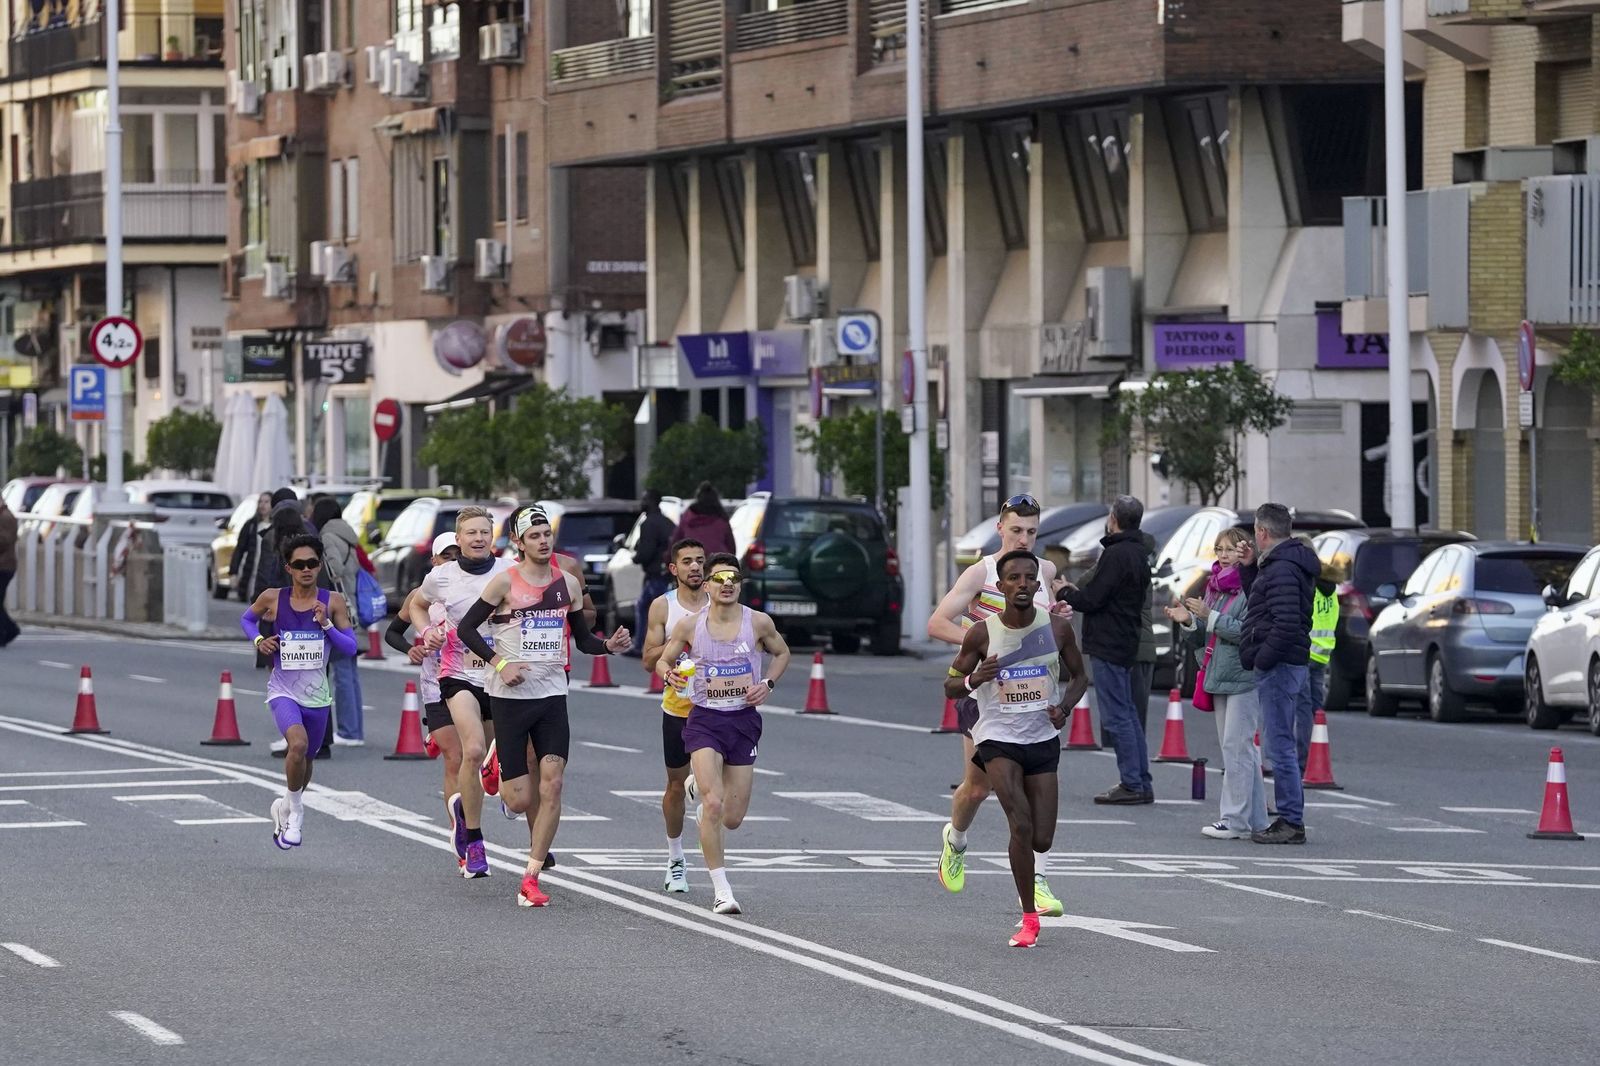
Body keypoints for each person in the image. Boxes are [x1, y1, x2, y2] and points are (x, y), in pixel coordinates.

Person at [455, 506, 632, 907]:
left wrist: (608, 646)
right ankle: (496, 764)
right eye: (533, 536)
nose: (542, 540)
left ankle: (531, 877)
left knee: (553, 783)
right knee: (518, 799)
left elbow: (583, 639)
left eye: (546, 534)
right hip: (509, 696)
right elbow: (466, 629)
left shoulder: (566, 583)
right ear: (518, 543)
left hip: (552, 695)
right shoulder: (503, 583)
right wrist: (501, 662)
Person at [927, 493, 1067, 917]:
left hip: (1033, 695)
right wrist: (981, 643)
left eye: (1032, 532)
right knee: (979, 787)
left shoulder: (1044, 571)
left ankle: (1039, 881)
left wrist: (1060, 615)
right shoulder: (981, 572)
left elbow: (1046, 624)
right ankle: (955, 840)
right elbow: (937, 622)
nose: (1024, 539)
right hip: (984, 693)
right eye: (1017, 530)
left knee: (1033, 790)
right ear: (999, 528)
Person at [943, 551, 1089, 948]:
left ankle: (1030, 893)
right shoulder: (982, 633)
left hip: (1041, 737)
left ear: (1038, 585)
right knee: (1019, 825)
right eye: (1014, 578)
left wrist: (1064, 707)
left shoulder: (1058, 630)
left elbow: (1079, 677)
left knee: (1041, 837)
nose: (1023, 583)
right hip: (997, 738)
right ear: (1002, 586)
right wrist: (975, 678)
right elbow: (951, 685)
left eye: (1029, 578)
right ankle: (1028, 918)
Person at [655, 553, 791, 915]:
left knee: (732, 817)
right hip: (704, 720)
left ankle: (698, 787)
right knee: (713, 804)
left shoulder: (758, 622)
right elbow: (662, 660)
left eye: (733, 577)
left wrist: (768, 684)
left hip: (743, 721)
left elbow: (782, 653)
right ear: (708, 585)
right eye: (719, 578)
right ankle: (722, 890)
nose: (727, 583)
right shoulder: (689, 625)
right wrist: (669, 673)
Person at [412, 507, 515, 878]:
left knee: (496, 766)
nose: (477, 539)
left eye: (484, 532)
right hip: (458, 676)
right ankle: (473, 842)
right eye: (470, 533)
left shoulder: (509, 571)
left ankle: (495, 777)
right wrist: (427, 633)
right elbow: (416, 606)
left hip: (501, 674)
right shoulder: (441, 576)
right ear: (459, 539)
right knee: (471, 750)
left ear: (493, 537)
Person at [241, 534, 357, 849]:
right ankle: (297, 814)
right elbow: (247, 619)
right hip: (283, 690)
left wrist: (327, 625)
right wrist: (258, 641)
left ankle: (285, 804)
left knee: (306, 757)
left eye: (312, 563)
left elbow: (350, 648)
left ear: (319, 565)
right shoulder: (272, 598)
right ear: (288, 568)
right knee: (297, 744)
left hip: (318, 695)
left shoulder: (332, 601)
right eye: (299, 564)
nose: (306, 569)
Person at [1166, 526, 1266, 840]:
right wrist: (1187, 621)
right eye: (1219, 549)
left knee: (1237, 748)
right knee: (1239, 749)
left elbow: (1247, 631)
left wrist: (1210, 617)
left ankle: (1234, 820)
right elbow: (1205, 635)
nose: (1223, 556)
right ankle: (1258, 820)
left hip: (1243, 675)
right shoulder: (1214, 586)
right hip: (1219, 673)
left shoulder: (1251, 585)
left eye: (1231, 549)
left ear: (1244, 551)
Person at [1059, 496, 1155, 805]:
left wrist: (1064, 592)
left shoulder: (1117, 554)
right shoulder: (1138, 553)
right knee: (1127, 713)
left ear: (1113, 519)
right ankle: (1140, 779)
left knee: (1118, 716)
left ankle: (1132, 782)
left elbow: (1094, 599)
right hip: (1125, 639)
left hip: (1109, 641)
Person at [1238, 503, 1320, 845]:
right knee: (1279, 742)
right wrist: (1247, 570)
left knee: (1279, 745)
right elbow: (1262, 604)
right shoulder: (1280, 564)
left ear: (1262, 532)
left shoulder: (1283, 567)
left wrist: (1262, 658)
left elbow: (1285, 623)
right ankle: (1290, 817)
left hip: (1281, 664)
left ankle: (1290, 820)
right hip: (1285, 662)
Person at [641, 538, 709, 893]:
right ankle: (675, 858)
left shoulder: (722, 601)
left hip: (718, 706)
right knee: (674, 785)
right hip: (679, 706)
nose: (695, 567)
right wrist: (678, 650)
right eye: (687, 562)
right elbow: (648, 658)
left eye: (700, 561)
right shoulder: (663, 607)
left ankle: (704, 787)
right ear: (674, 569)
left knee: (719, 787)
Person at [312, 497, 365, 746]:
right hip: (353, 606)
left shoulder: (328, 537)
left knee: (342, 673)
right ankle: (354, 729)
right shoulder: (348, 536)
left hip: (340, 611)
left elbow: (334, 571)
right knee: (350, 673)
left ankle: (348, 731)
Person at [1299, 545, 1339, 772]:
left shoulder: (1305, 584)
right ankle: (1317, 755)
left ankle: (1302, 760)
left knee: (1302, 709)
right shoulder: (1330, 587)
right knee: (1316, 709)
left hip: (1304, 652)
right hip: (1323, 653)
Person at [632, 491, 677, 657]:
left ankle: (642, 646)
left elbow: (646, 550)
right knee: (664, 611)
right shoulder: (668, 522)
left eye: (644, 499)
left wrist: (637, 558)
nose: (641, 502)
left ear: (652, 501)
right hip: (668, 573)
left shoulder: (648, 524)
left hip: (655, 574)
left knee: (646, 608)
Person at [670, 481, 736, 557]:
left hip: (692, 561)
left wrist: (669, 560)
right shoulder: (721, 519)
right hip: (717, 562)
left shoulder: (688, 517)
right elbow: (731, 547)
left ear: (698, 498)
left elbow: (675, 541)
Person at [230, 492, 272, 603]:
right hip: (253, 574)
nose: (263, 505)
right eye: (260, 502)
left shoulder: (276, 526)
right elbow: (239, 549)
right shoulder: (251, 525)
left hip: (270, 575)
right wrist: (233, 572)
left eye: (266, 502)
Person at [0, 496, 18, 648]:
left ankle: (9, 630)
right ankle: (9, 630)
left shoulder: (6, 517)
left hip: (4, 566)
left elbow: (5, 540)